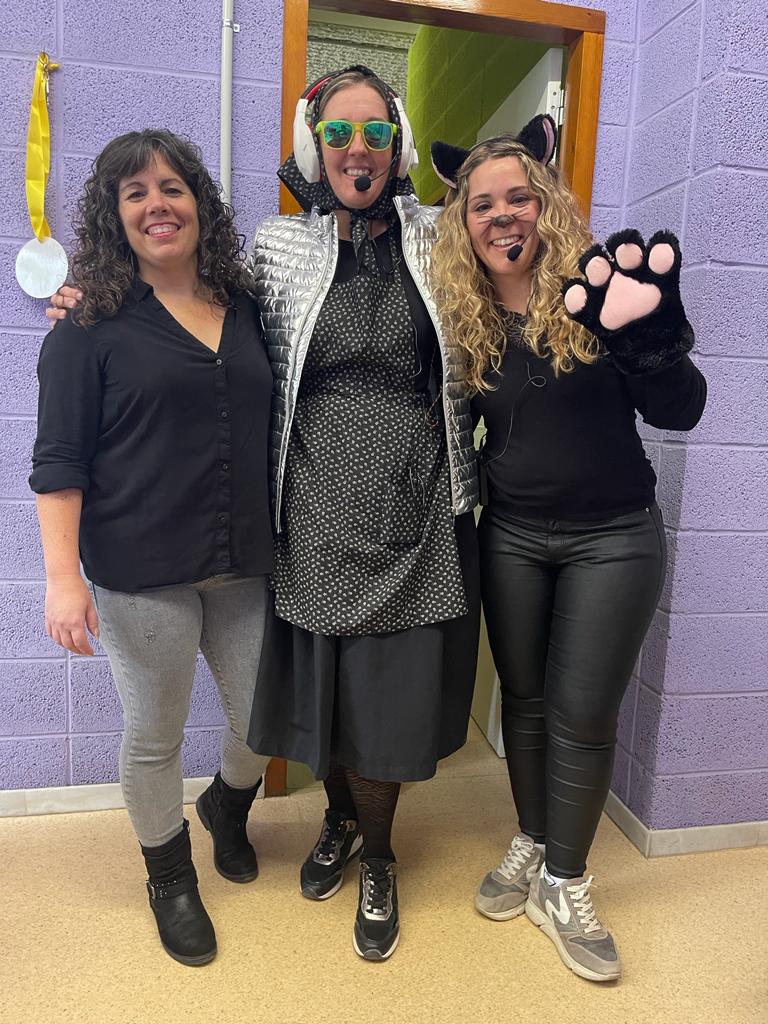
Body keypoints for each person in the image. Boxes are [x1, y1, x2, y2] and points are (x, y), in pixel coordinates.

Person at [429, 117, 706, 982]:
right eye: (482, 205)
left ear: (545, 202)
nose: (502, 216)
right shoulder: (461, 314)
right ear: (463, 221)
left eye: (518, 197)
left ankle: (565, 881)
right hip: (512, 535)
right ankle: (535, 836)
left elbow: (682, 410)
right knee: (525, 702)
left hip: (614, 537)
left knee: (582, 715)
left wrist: (652, 343)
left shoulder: (601, 287)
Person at [245, 65, 481, 961]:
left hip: (414, 500)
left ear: (398, 147)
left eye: (375, 134)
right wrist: (95, 304)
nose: (357, 150)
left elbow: (507, 289)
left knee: (386, 700)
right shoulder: (278, 245)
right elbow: (203, 318)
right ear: (315, 148)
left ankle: (379, 856)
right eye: (338, 134)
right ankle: (339, 820)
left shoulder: (439, 235)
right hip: (312, 500)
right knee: (331, 692)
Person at [31, 130, 275, 967]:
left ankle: (226, 809)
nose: (157, 205)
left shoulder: (247, 308)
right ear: (115, 214)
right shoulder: (86, 325)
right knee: (155, 734)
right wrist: (63, 580)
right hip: (140, 571)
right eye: (135, 193)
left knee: (262, 719)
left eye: (172, 187)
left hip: (243, 559)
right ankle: (170, 876)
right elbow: (58, 462)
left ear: (199, 203)